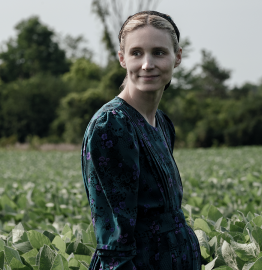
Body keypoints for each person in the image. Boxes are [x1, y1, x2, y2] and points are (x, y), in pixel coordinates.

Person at [81, 11, 202, 269]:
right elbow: (115, 241)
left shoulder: (162, 123)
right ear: (122, 59)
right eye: (136, 53)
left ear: (177, 57)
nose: (147, 64)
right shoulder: (112, 124)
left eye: (159, 52)